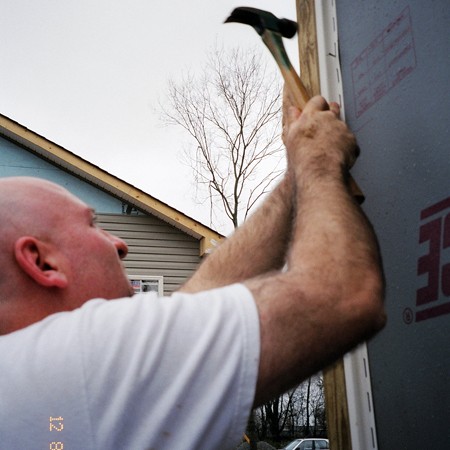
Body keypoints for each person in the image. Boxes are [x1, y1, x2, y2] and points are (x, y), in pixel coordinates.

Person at [0, 94, 386, 449]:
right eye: (92, 225)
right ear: (41, 262)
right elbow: (341, 295)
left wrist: (298, 171)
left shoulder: (28, 374)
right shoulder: (78, 362)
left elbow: (204, 294)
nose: (120, 244)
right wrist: (319, 164)